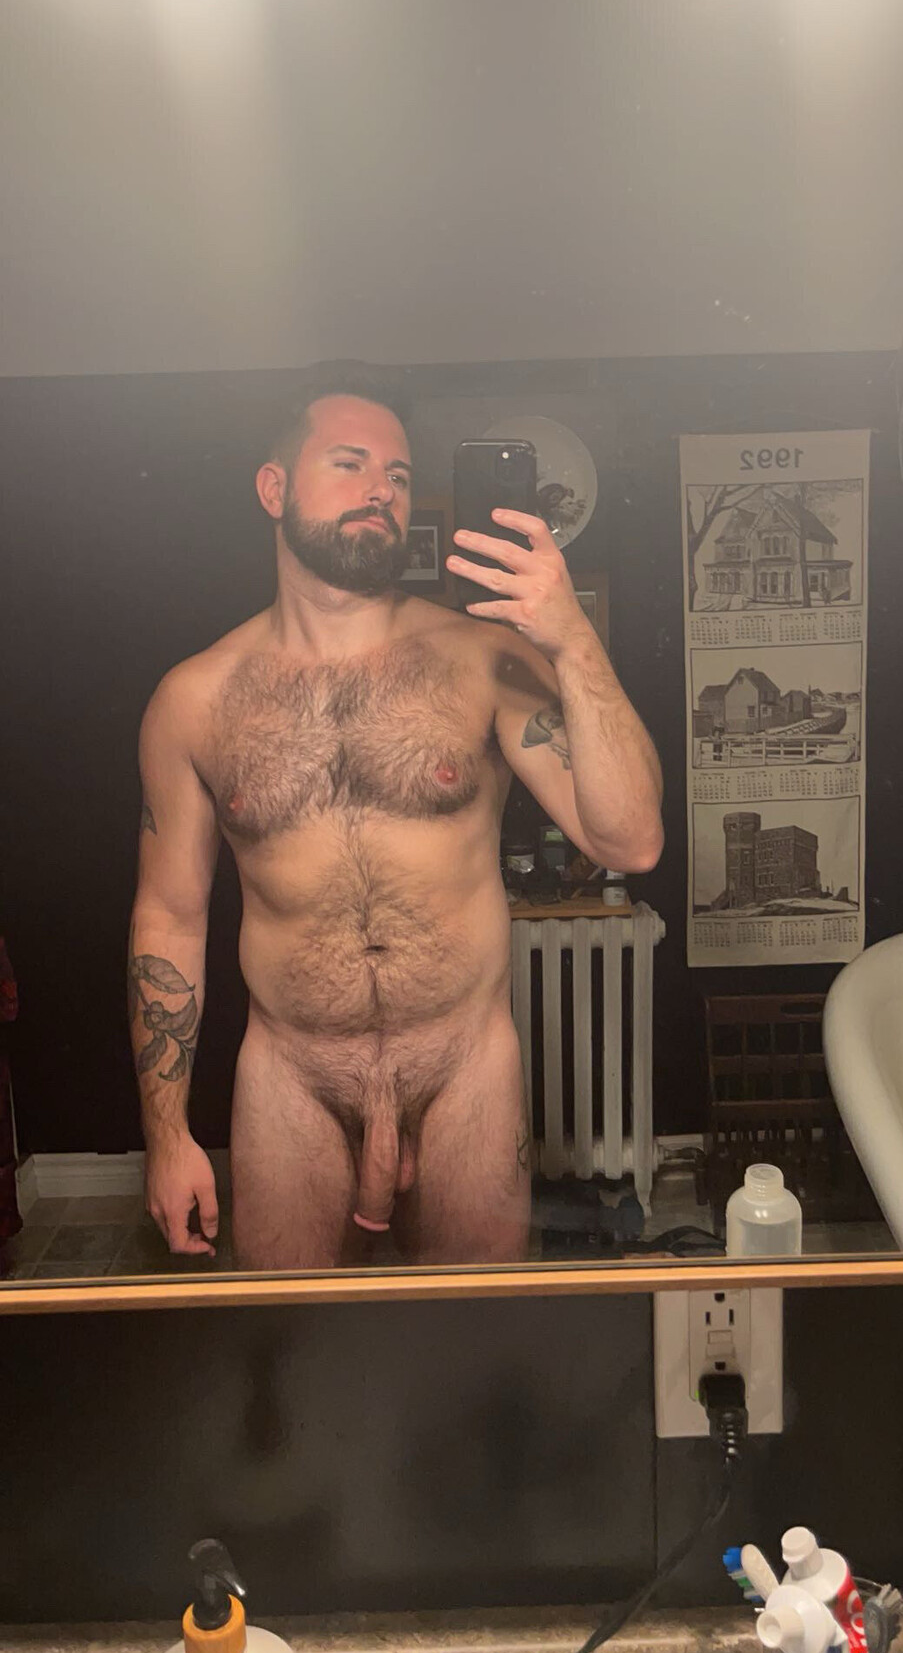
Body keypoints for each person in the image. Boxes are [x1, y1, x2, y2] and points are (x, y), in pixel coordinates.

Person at [129, 371, 664, 1270]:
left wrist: (572, 638)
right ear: (274, 488)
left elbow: (631, 839)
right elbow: (169, 917)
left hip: (464, 1073)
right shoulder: (194, 700)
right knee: (293, 1342)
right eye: (350, 463)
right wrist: (167, 1134)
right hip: (294, 1081)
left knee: (471, 1344)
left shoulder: (483, 660)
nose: (381, 488)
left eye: (400, 475)